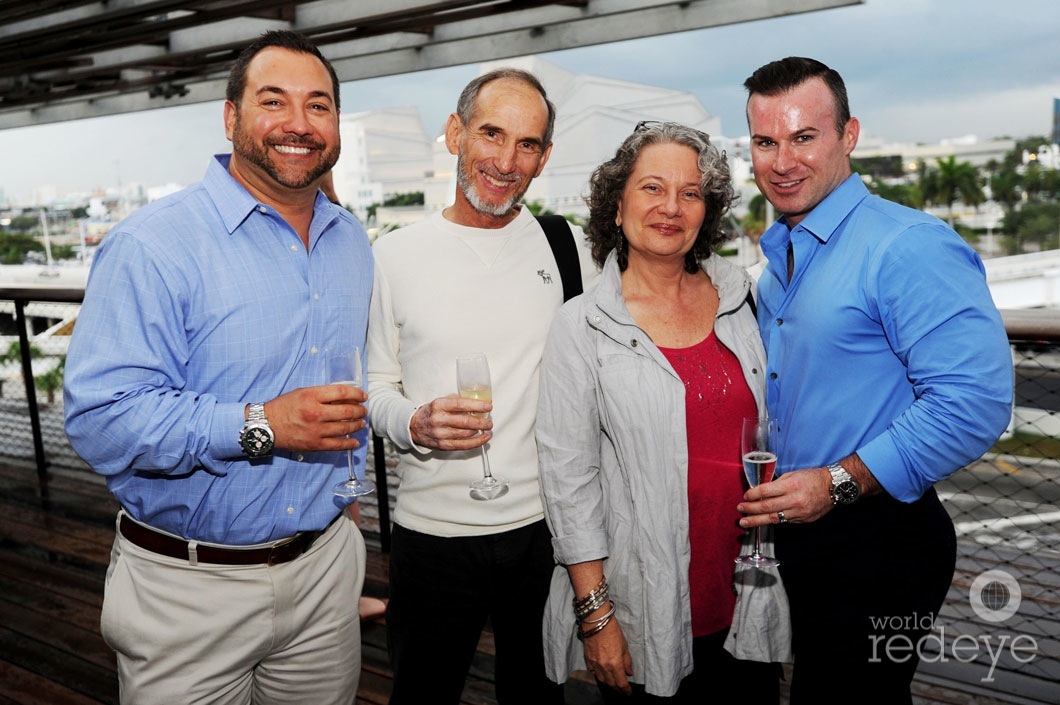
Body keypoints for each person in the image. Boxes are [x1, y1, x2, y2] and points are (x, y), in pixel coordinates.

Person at [63, 30, 373, 704]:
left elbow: (351, 392)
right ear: (231, 117)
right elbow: (99, 418)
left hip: (323, 573)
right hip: (188, 589)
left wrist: (346, 528)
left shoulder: (351, 239)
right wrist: (261, 425)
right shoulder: (152, 244)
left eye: (319, 106)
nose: (299, 123)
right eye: (274, 101)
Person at [736, 57, 1013, 704]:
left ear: (849, 135)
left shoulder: (906, 245)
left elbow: (975, 402)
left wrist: (837, 482)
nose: (782, 160)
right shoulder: (781, 257)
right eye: (765, 141)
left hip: (880, 538)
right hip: (799, 531)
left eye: (805, 137)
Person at [536, 121, 790, 703]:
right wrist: (597, 618)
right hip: (642, 604)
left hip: (747, 590)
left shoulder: (743, 300)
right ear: (617, 205)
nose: (671, 207)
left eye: (691, 192)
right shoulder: (582, 327)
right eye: (652, 188)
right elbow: (568, 483)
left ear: (708, 211)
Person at [365, 67, 598, 705]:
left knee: (539, 697)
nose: (506, 160)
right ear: (454, 133)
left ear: (545, 157)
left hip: (543, 532)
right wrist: (412, 423)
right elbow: (375, 386)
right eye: (491, 134)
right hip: (431, 536)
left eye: (528, 144)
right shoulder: (392, 255)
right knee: (423, 695)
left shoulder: (569, 248)